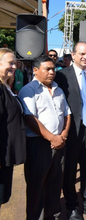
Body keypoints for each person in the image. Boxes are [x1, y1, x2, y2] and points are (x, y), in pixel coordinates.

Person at [55, 42, 86, 220]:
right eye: (82, 54)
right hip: (71, 130)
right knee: (69, 169)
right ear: (73, 55)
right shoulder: (62, 76)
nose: (85, 57)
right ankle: (72, 206)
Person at [18, 55, 71, 220]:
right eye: (47, 69)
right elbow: (30, 118)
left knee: (55, 184)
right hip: (38, 145)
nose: (51, 72)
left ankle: (52, 215)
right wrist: (52, 138)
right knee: (36, 186)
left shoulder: (59, 89)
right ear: (35, 70)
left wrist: (63, 135)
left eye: (53, 69)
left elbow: (68, 114)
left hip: (59, 143)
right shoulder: (28, 90)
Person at [0, 48, 26, 208]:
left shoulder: (6, 88)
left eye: (15, 63)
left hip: (6, 156)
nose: (14, 66)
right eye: (10, 63)